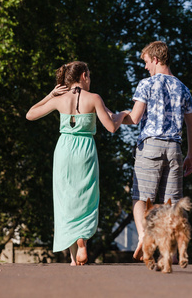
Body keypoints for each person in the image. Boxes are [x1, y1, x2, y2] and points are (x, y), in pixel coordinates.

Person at [26, 61, 127, 266]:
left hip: (64, 150)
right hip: (85, 150)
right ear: (83, 76)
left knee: (66, 200)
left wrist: (50, 95)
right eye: (89, 75)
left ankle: (73, 258)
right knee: (86, 197)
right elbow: (111, 127)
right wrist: (123, 115)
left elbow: (30, 114)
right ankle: (82, 240)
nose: (90, 79)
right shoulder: (94, 98)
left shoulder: (59, 99)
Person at [121, 41, 192, 260]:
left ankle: (145, 235)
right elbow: (191, 125)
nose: (145, 67)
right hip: (175, 149)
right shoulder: (183, 88)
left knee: (140, 197)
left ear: (155, 59)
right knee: (170, 203)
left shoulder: (146, 84)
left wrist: (114, 117)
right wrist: (191, 154)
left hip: (151, 146)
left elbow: (134, 118)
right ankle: (171, 254)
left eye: (146, 61)